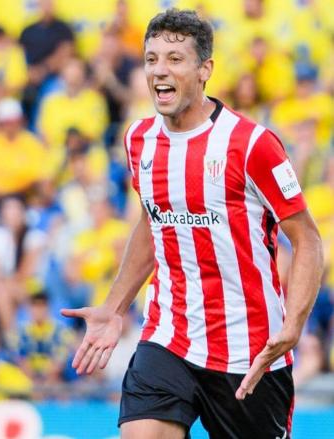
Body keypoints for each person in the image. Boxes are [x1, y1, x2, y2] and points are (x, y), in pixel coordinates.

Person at [61, 9, 324, 438]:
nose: (159, 71)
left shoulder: (252, 145)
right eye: (151, 59)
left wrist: (292, 325)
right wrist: (114, 307)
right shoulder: (138, 139)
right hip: (170, 337)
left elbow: (307, 239)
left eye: (174, 59)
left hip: (249, 353)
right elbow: (154, 223)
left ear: (205, 70)